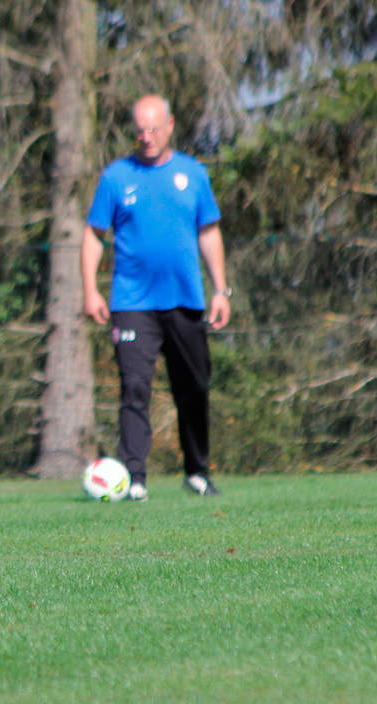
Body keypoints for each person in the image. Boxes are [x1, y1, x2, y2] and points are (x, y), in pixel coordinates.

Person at [80, 94, 230, 502]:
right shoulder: (115, 177)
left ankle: (197, 472)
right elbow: (94, 235)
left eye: (153, 129)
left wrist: (220, 290)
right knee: (134, 389)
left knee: (194, 386)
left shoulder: (193, 174)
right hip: (132, 303)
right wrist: (90, 288)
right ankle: (135, 477)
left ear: (170, 126)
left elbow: (209, 232)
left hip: (185, 299)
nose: (146, 137)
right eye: (139, 131)